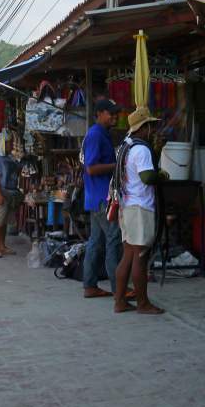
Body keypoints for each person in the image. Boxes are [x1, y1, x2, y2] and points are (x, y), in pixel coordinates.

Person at [112, 107, 166, 315]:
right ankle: (142, 303)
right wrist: (161, 176)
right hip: (140, 207)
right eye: (151, 125)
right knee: (140, 256)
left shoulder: (125, 146)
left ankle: (119, 301)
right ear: (145, 127)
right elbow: (147, 178)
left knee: (128, 254)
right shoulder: (141, 150)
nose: (153, 129)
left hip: (127, 205)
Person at [81, 99, 124, 299]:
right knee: (114, 241)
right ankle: (119, 289)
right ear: (99, 113)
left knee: (96, 242)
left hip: (97, 196)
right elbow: (91, 167)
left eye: (116, 113)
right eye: (111, 113)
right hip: (101, 198)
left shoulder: (101, 134)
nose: (115, 116)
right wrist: (117, 166)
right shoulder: (96, 135)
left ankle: (90, 285)